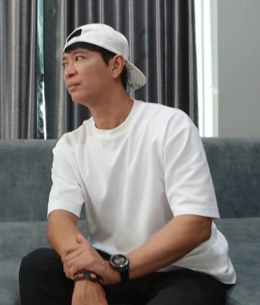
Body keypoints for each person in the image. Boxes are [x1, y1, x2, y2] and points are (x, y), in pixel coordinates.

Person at [19, 23, 235, 305]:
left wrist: (114, 271)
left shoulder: (171, 125)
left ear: (115, 65)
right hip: (109, 265)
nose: (68, 71)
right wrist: (86, 273)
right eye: (65, 63)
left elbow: (195, 225)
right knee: (37, 266)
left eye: (80, 58)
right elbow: (59, 221)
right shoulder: (70, 146)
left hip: (182, 270)